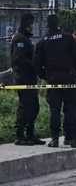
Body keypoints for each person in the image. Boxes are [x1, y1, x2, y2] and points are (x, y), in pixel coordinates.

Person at [35, 14, 76, 148]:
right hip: (69, 78)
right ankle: (74, 139)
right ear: (58, 24)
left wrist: (46, 76)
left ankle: (55, 139)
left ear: (47, 25)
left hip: (53, 79)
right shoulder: (68, 38)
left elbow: (37, 64)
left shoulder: (43, 41)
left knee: (55, 110)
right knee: (71, 109)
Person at [10, 13, 44, 146]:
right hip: (23, 78)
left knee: (34, 107)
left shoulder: (26, 39)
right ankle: (20, 136)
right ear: (26, 24)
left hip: (30, 78)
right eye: (31, 24)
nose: (32, 27)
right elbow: (18, 59)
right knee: (25, 107)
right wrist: (34, 64)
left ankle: (30, 134)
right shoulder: (20, 39)